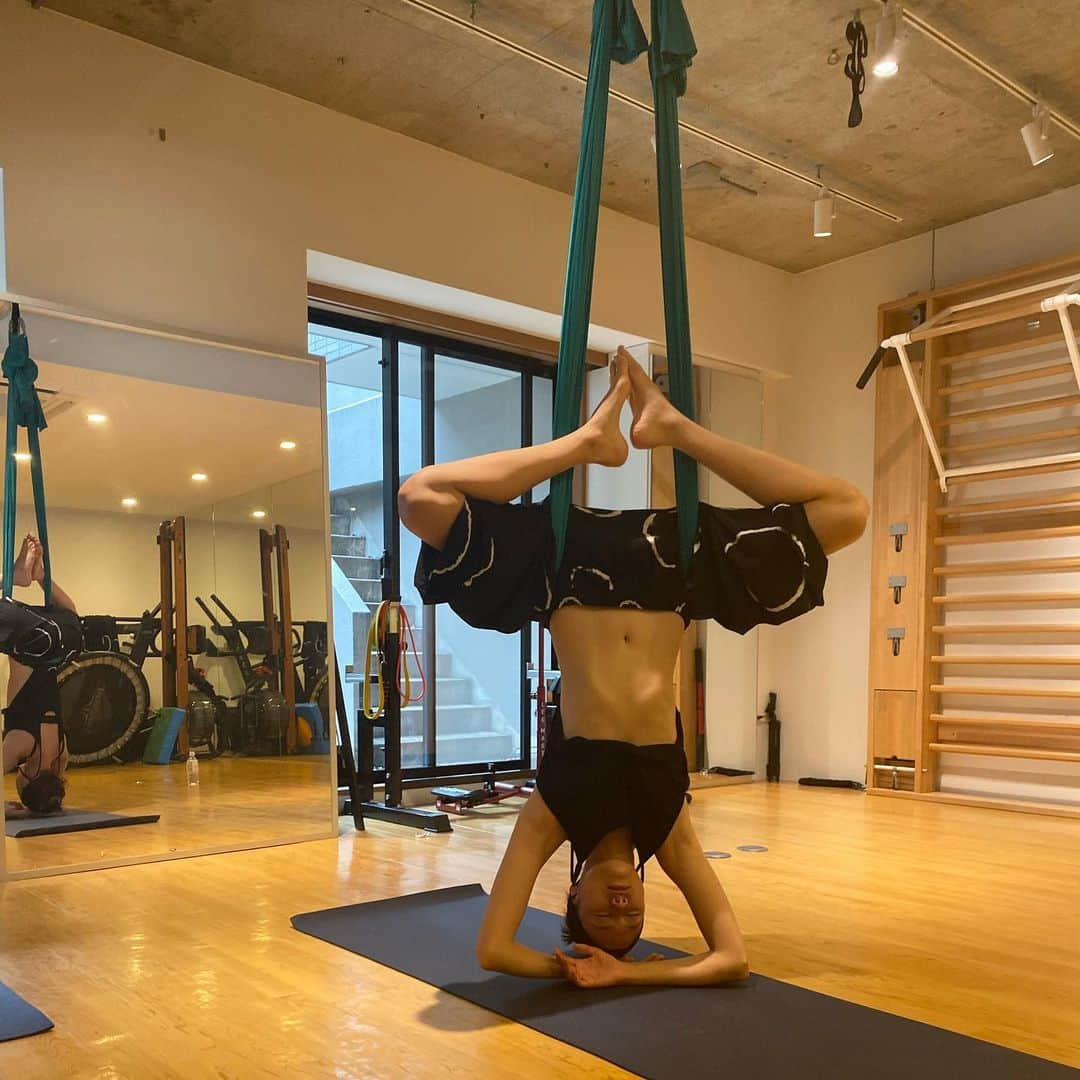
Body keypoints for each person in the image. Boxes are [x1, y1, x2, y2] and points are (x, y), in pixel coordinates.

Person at [398, 348, 868, 988]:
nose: (621, 907)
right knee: (848, 510)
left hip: (563, 574)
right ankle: (677, 429)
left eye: (602, 917)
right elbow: (731, 957)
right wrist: (626, 974)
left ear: (571, 895)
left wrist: (566, 969)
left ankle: (584, 441)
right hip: (672, 577)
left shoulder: (553, 815)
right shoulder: (667, 828)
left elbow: (493, 951)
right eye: (633, 918)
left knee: (418, 496)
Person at [2, 535, 81, 816]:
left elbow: (52, 782)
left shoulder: (62, 755)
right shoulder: (20, 745)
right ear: (27, 781)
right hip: (32, 645)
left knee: (70, 611)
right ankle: (14, 577)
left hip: (67, 642)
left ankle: (40, 576)